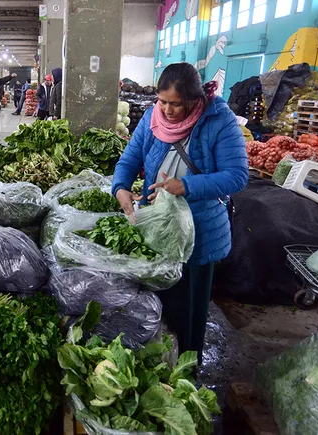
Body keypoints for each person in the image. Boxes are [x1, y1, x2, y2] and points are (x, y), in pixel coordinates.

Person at [111, 62, 248, 363]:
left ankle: (187, 367)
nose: (168, 111)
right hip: (160, 226)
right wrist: (120, 187)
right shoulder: (151, 118)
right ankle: (160, 364)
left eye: (177, 104)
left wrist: (185, 185)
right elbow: (128, 160)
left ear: (195, 98)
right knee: (162, 298)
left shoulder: (219, 121)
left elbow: (237, 176)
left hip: (200, 231)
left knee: (191, 305)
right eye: (163, 102)